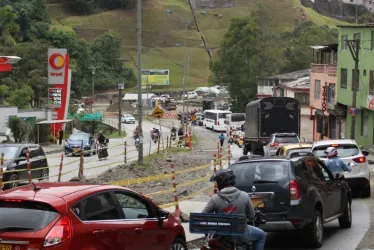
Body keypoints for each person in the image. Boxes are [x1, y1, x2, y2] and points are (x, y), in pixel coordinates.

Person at [202, 169, 266, 250]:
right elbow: (252, 216)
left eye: (217, 182)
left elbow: (202, 216)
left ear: (222, 182)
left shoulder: (214, 199)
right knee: (262, 235)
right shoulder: (245, 196)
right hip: (241, 233)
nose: (217, 185)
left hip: (221, 236)